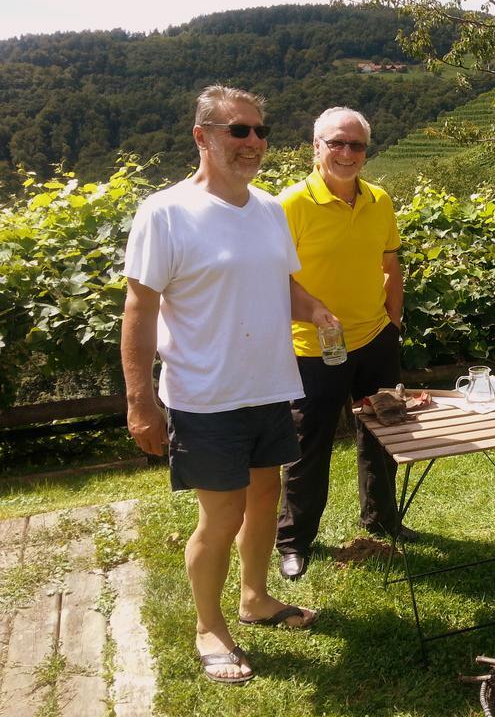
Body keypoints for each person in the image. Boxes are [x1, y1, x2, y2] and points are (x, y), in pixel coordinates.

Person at [121, 85, 335, 684]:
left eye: (260, 131)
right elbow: (139, 310)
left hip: (269, 384)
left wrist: (312, 308)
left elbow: (277, 282)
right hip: (204, 394)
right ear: (203, 136)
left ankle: (255, 598)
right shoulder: (163, 212)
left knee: (265, 498)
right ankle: (208, 627)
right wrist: (141, 402)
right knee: (222, 514)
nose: (253, 143)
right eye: (238, 130)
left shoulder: (268, 208)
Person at [275, 106, 409, 581]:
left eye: (356, 145)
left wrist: (392, 323)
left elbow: (390, 263)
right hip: (313, 348)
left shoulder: (380, 200)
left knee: (384, 433)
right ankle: (294, 541)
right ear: (316, 147)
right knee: (308, 447)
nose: (347, 153)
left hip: (376, 338)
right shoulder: (290, 204)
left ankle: (382, 520)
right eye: (337, 143)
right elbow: (273, 278)